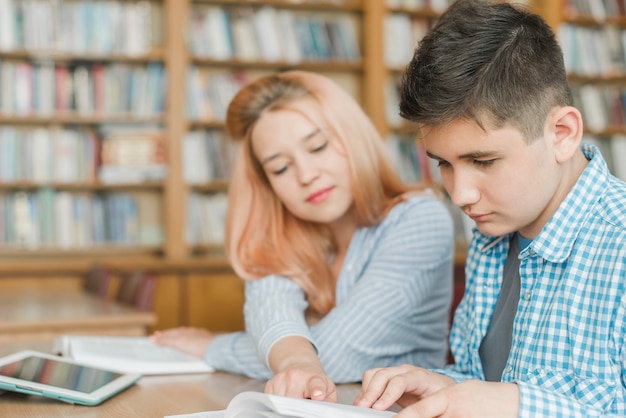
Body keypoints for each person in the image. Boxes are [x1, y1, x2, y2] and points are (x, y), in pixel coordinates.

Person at [354, 0, 626, 417]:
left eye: (483, 161)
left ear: (562, 133)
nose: (460, 194)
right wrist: (445, 384)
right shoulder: (494, 233)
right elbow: (489, 382)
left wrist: (517, 405)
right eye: (443, 163)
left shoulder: (619, 243)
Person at [152, 70, 455, 401]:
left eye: (318, 147)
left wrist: (214, 346)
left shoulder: (420, 219)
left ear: (352, 137)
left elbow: (338, 357)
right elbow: (272, 309)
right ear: (268, 184)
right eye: (280, 168)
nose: (307, 175)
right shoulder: (284, 233)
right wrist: (294, 358)